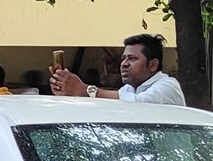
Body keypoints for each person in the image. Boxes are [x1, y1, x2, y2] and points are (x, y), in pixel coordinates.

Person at [50, 33, 186, 106]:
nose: (124, 64)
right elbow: (107, 107)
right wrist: (69, 93)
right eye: (123, 58)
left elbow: (139, 105)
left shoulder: (168, 86)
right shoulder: (128, 89)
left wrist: (85, 90)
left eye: (132, 59)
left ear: (153, 65)